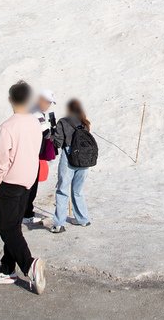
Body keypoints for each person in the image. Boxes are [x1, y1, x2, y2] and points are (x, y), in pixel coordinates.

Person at [0, 80, 46, 292]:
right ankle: (7, 268)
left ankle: (29, 264)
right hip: (27, 181)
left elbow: (2, 159)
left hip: (9, 182)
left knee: (7, 228)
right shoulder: (35, 124)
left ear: (10, 99)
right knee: (14, 227)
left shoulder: (8, 126)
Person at [50, 98, 94, 234]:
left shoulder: (63, 122)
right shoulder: (85, 123)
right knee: (78, 190)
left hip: (68, 155)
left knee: (62, 190)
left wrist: (53, 134)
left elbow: (58, 143)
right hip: (84, 159)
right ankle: (83, 219)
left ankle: (59, 224)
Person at [23, 89, 58, 226]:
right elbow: (45, 134)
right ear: (40, 100)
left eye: (50, 103)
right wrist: (55, 135)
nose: (48, 105)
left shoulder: (33, 111)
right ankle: (27, 214)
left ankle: (25, 212)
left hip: (32, 153)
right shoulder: (36, 113)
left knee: (31, 184)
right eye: (47, 102)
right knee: (31, 185)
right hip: (32, 154)